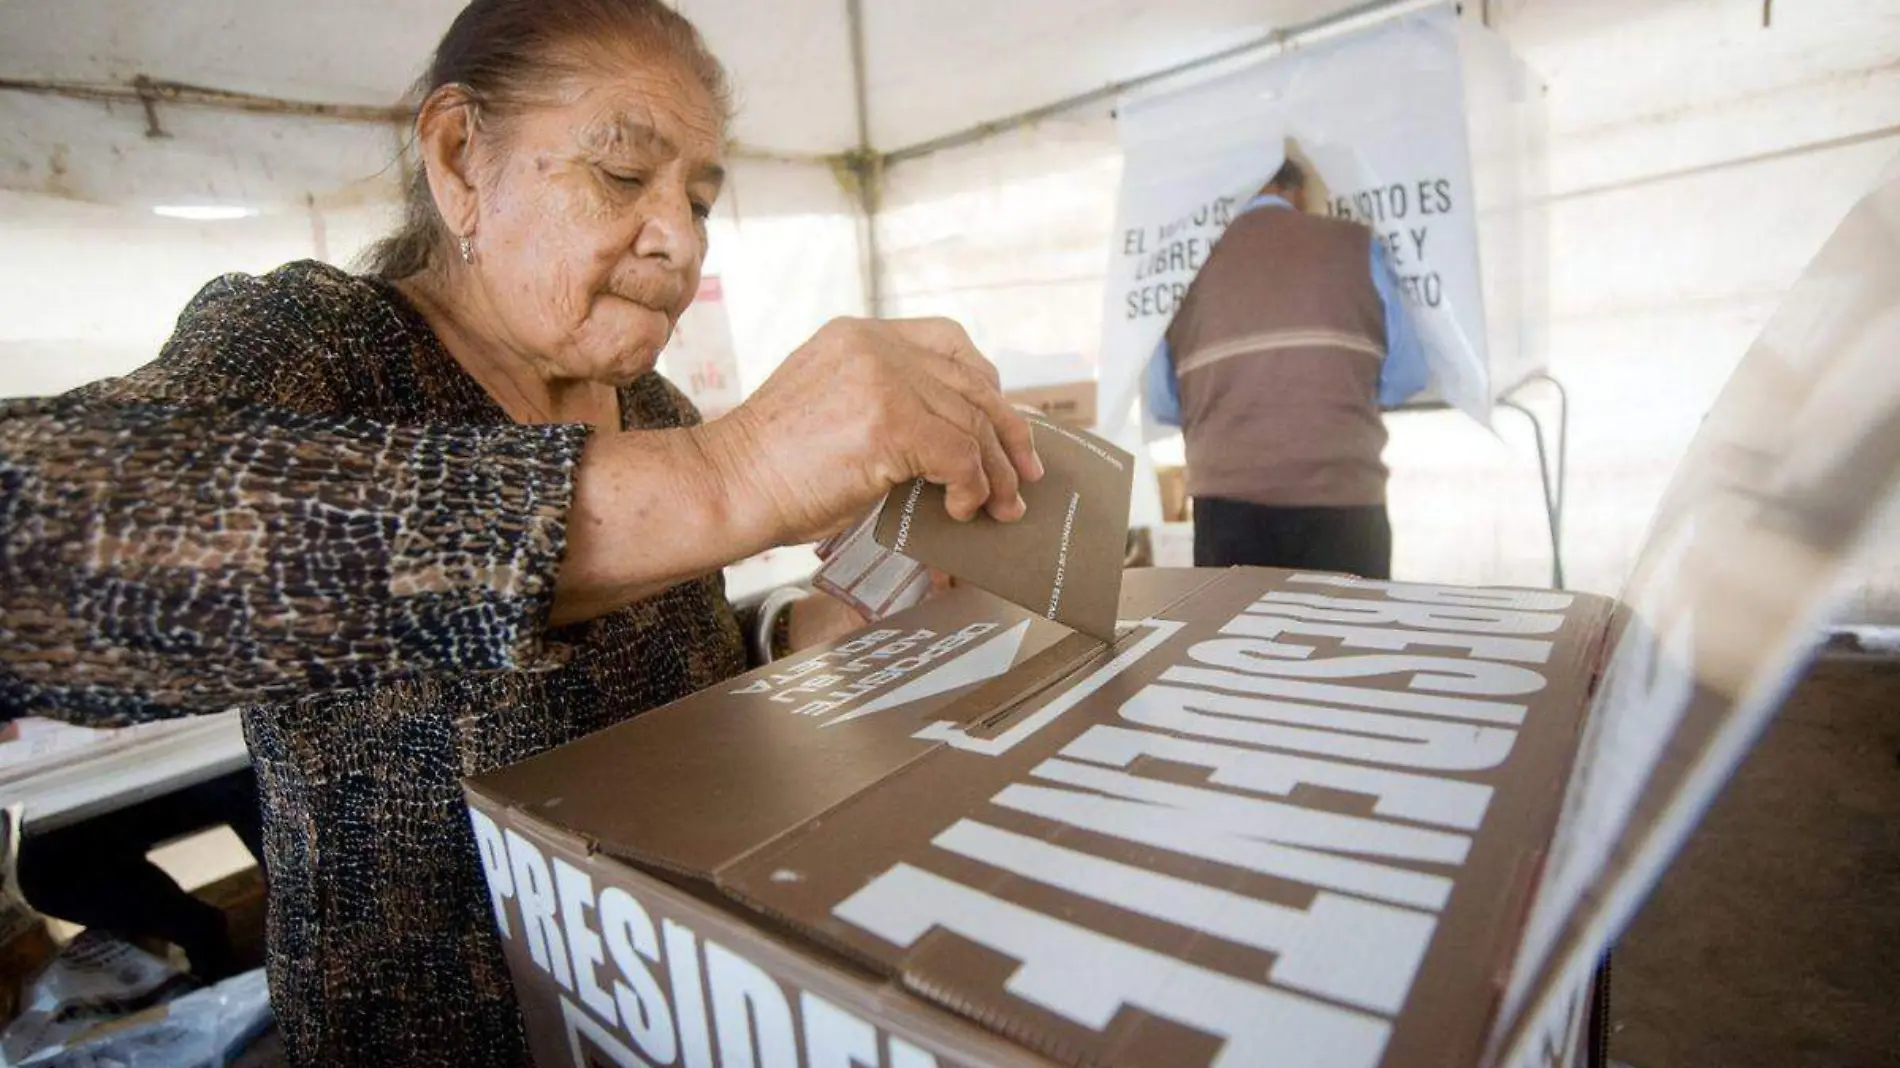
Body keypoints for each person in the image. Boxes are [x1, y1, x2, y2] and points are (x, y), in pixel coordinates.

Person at [0, 1, 1041, 1063]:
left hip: (669, 1014)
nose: (678, 236)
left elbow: (671, 675)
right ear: (460, 160)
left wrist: (812, 636)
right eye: (624, 176)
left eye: (699, 198)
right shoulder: (325, 351)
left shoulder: (658, 413)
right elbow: (31, 540)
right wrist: (740, 471)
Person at [1144, 156, 1429, 578]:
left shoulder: (1180, 270)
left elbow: (1162, 402)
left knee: (1238, 638)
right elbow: (1408, 375)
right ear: (1297, 191)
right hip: (1343, 500)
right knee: (1348, 638)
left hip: (1226, 509)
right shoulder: (1356, 244)